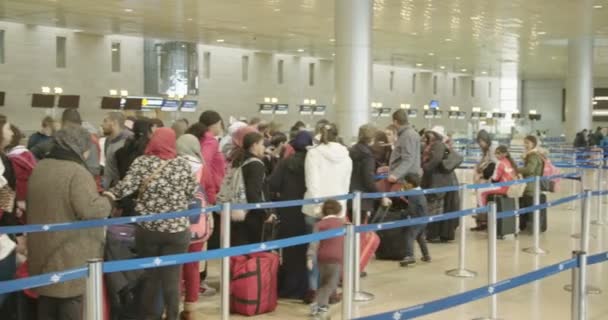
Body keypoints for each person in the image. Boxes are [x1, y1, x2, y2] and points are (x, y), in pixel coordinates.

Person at [105, 128, 196, 320]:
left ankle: (149, 316)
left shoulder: (143, 162)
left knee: (150, 277)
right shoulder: (183, 164)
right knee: (172, 278)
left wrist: (108, 195)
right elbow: (190, 192)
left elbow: (126, 187)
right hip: (177, 230)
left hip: (149, 230)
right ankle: (172, 316)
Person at [27, 126, 112, 320]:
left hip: (43, 250)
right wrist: (109, 199)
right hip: (69, 254)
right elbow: (91, 210)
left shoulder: (41, 166)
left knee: (47, 303)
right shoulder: (76, 172)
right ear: (79, 146)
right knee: (69, 303)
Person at [302, 122, 352, 302]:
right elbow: (345, 187)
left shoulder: (313, 154)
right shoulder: (347, 156)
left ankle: (314, 290)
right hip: (337, 210)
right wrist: (341, 211)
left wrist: (317, 208)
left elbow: (312, 183)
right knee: (334, 255)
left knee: (314, 253)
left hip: (315, 210)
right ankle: (330, 292)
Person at [268, 131, 313, 300]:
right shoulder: (313, 163)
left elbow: (273, 183)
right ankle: (307, 287)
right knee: (307, 250)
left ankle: (290, 288)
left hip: (288, 211)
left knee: (289, 251)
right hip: (308, 209)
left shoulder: (285, 163)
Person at [176, 133, 213, 319]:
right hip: (198, 224)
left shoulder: (172, 164)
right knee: (192, 266)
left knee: (174, 266)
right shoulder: (202, 167)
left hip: (174, 224)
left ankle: (171, 304)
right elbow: (212, 193)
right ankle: (190, 307)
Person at [230, 132, 271, 245]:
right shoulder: (256, 165)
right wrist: (265, 213)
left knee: (239, 249)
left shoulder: (238, 160)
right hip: (252, 215)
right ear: (254, 145)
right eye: (262, 144)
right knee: (253, 252)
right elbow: (254, 193)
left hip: (237, 210)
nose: (264, 147)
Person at [306, 200, 345, 319]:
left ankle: (321, 304)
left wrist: (310, 258)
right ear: (339, 211)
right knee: (330, 284)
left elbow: (314, 243)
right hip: (337, 258)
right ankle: (319, 305)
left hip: (322, 257)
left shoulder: (319, 225)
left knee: (323, 282)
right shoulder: (343, 223)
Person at [420, 130, 455, 243]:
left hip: (437, 181)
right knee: (433, 207)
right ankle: (432, 233)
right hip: (434, 180)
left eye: (430, 134)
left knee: (435, 207)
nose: (428, 136)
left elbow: (435, 160)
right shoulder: (434, 145)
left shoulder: (438, 145)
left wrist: (424, 166)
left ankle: (433, 234)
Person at [349, 124, 391, 217]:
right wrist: (381, 196)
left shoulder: (352, 150)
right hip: (363, 200)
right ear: (372, 138)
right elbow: (368, 181)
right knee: (360, 229)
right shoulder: (367, 155)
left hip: (350, 196)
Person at [399, 173, 431, 267]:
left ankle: (410, 256)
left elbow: (411, 210)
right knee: (420, 237)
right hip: (424, 218)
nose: (403, 184)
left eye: (404, 182)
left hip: (417, 220)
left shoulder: (413, 194)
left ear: (410, 184)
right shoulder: (419, 191)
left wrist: (402, 214)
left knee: (409, 236)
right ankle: (426, 255)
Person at [6, 125, 36, 224]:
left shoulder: (11, 159)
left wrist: (17, 202)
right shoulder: (27, 154)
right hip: (29, 201)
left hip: (18, 203)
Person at [196, 111, 226, 206]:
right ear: (216, 123)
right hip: (212, 190)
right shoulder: (210, 141)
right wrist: (211, 191)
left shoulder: (200, 138)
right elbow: (205, 165)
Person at [471, 129, 498, 231]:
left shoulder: (492, 149)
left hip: (488, 180)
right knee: (480, 199)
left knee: (482, 198)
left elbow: (493, 165)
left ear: (485, 139)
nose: (480, 144)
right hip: (484, 179)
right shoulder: (487, 150)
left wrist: (482, 173)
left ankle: (483, 221)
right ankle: (481, 221)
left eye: (481, 142)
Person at [517, 135, 545, 232]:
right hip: (532, 185)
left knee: (529, 207)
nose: (525, 145)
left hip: (531, 186)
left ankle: (530, 227)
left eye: (527, 143)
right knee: (528, 206)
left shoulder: (533, 156)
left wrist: (516, 170)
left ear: (533, 144)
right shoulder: (532, 154)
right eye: (524, 142)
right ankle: (528, 227)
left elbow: (529, 170)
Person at [388, 110, 421, 183]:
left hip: (405, 179)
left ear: (395, 122)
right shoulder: (407, 134)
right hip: (406, 177)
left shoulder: (407, 135)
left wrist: (395, 174)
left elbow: (408, 159)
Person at [102, 112, 133, 189]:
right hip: (109, 188)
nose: (102, 124)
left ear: (114, 123)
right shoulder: (109, 140)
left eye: (105, 121)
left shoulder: (128, 142)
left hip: (118, 190)